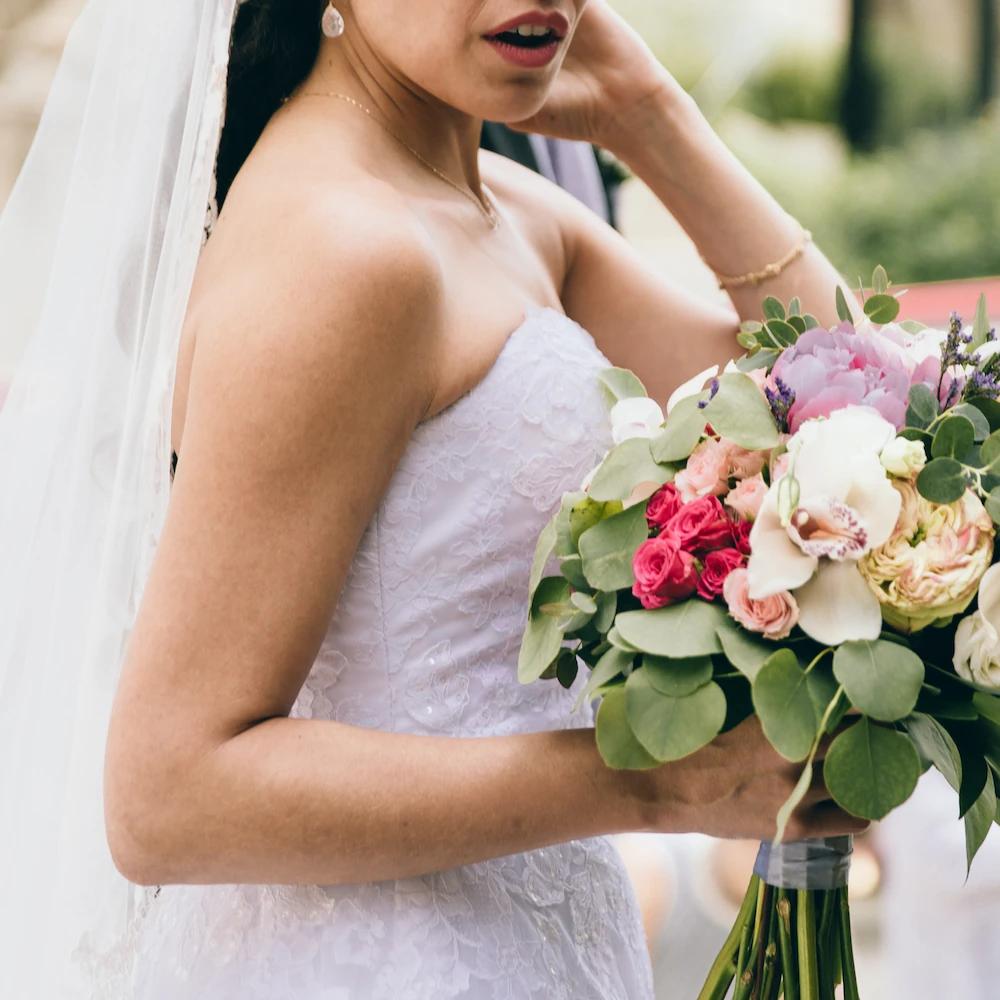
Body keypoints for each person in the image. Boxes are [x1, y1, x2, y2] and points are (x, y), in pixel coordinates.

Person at [0, 1, 868, 996]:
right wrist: (661, 781)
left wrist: (649, 114)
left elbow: (850, 402)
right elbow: (166, 795)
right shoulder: (341, 251)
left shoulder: (502, 209)